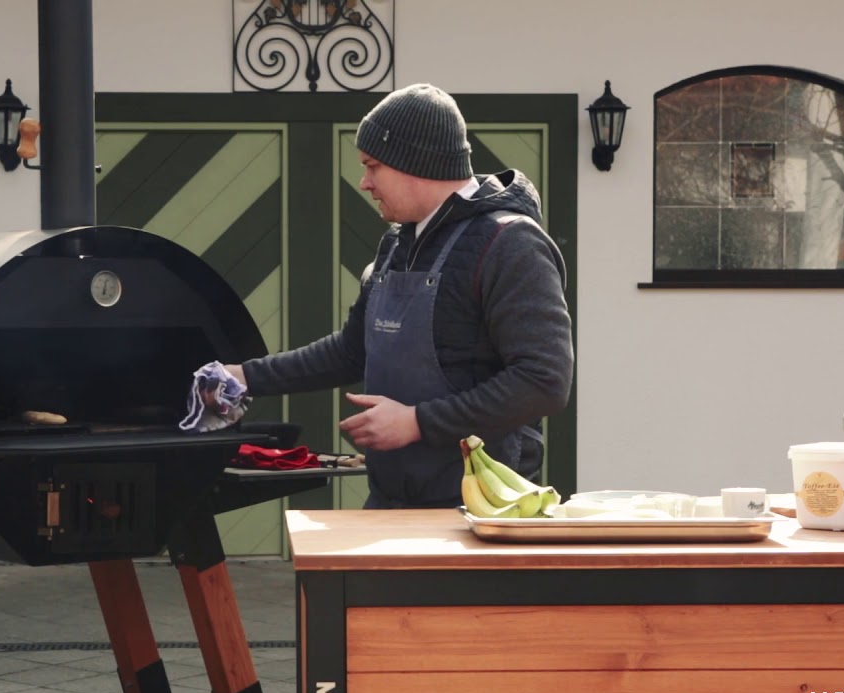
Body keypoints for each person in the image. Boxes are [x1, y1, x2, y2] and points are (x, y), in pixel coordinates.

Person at [210, 83, 573, 509]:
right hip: (390, 500)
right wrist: (243, 377)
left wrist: (417, 423)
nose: (364, 182)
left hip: (479, 512)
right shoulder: (399, 243)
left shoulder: (509, 245)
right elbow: (350, 351)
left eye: (373, 165)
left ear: (415, 162)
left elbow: (544, 381)